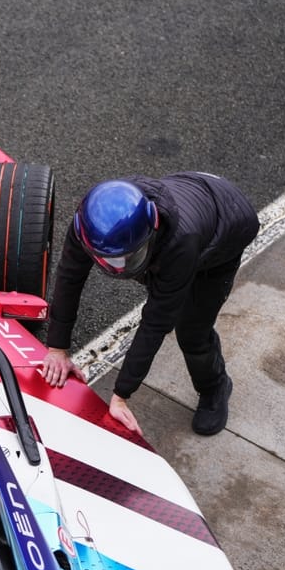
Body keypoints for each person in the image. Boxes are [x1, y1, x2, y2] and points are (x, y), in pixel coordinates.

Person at [39, 172, 260, 436]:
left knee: (192, 330)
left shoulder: (181, 243)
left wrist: (122, 394)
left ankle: (215, 387)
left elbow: (155, 322)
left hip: (227, 228)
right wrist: (57, 347)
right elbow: (69, 276)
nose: (120, 267)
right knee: (164, 284)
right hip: (192, 204)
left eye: (128, 257)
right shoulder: (89, 220)